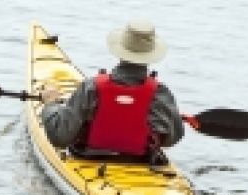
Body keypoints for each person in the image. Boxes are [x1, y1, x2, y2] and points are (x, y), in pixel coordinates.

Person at [39, 20, 184, 161]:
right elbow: (173, 137)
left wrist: (51, 103)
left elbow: (60, 137)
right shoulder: (161, 93)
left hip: (89, 157)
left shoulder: (90, 88)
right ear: (150, 55)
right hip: (142, 160)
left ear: (120, 52)